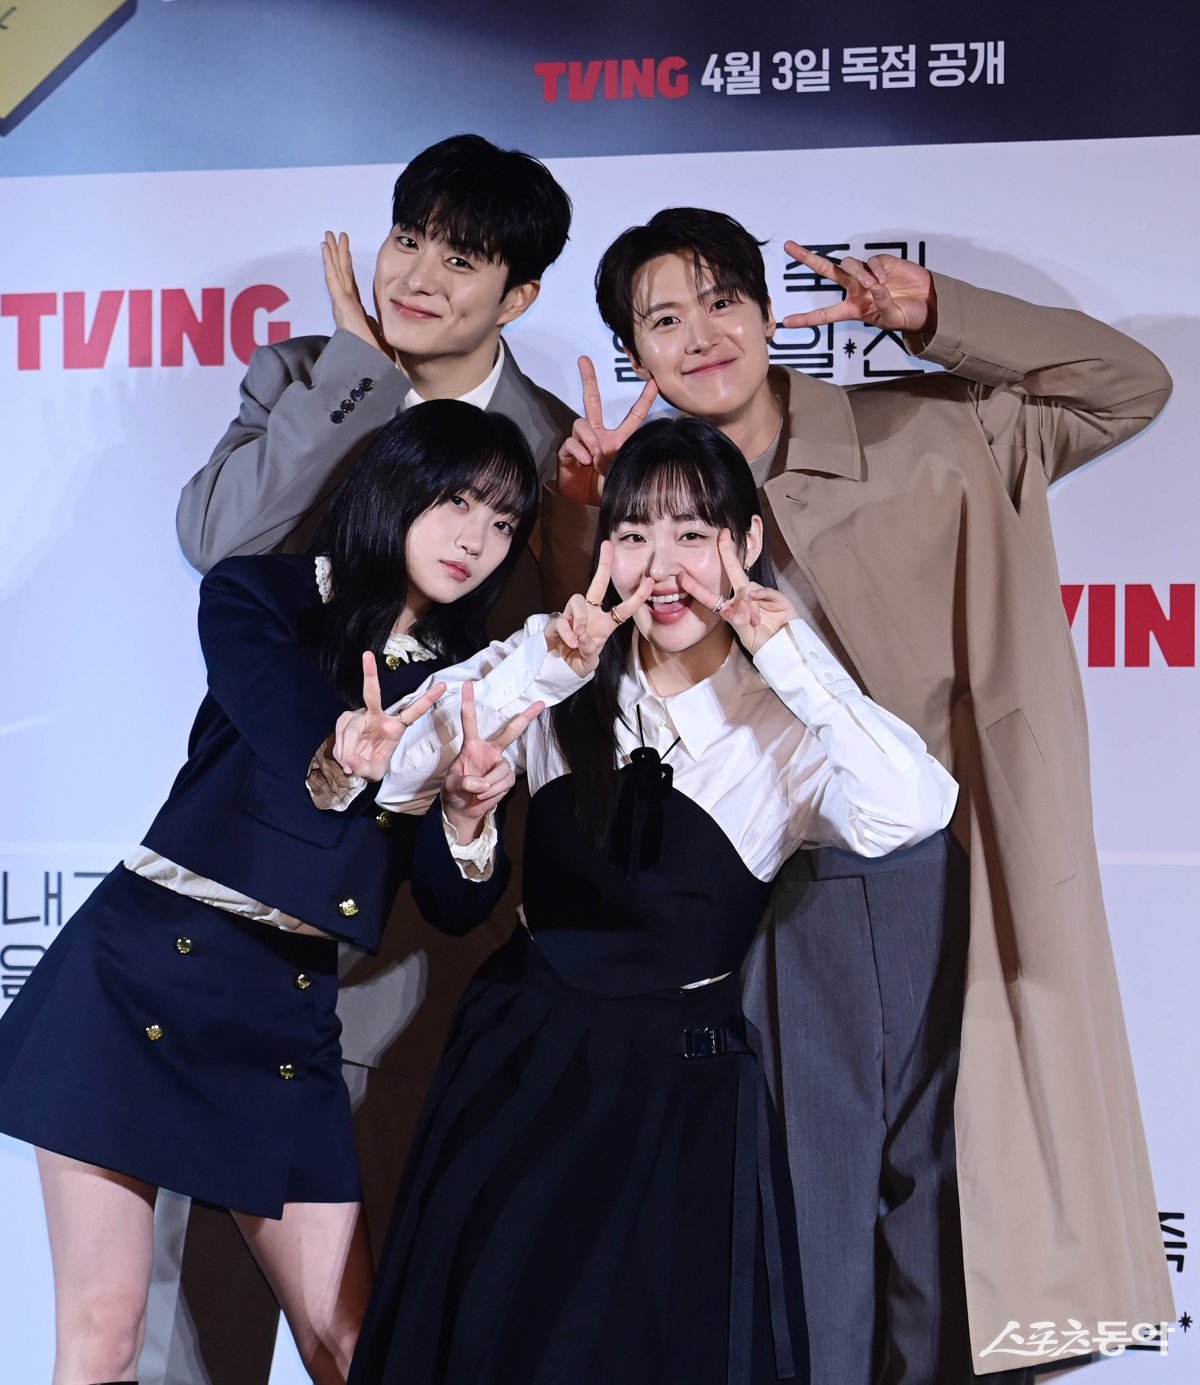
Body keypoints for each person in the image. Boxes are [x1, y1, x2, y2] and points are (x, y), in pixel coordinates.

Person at [542, 208, 1175, 1381]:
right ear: (636, 353)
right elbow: (585, 676)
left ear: (766, 313)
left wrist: (936, 316)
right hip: (765, 890)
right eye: (663, 319)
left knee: (960, 1205)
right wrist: (584, 509)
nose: (701, 334)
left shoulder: (938, 431)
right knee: (797, 1216)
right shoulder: (647, 508)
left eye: (721, 300)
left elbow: (1128, 385)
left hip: (957, 869)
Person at [320, 418, 958, 1385]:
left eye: (694, 534)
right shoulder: (554, 659)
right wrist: (545, 672)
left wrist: (789, 653)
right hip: (521, 1066)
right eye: (632, 535)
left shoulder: (782, 725)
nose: (662, 568)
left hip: (680, 1096)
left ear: (747, 542)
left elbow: (913, 809)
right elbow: (399, 767)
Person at [0, 401, 543, 1385]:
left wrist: (467, 812)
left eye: (504, 521)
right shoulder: (264, 594)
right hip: (138, 973)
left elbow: (453, 903)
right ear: (398, 489)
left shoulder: (468, 687)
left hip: (285, 1005)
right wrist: (345, 750)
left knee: (352, 1344)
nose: (476, 538)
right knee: (104, 1333)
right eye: (458, 501)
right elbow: (276, 707)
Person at [177, 132, 576, 624]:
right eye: (408, 242)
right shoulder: (298, 375)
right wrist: (357, 378)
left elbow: (575, 623)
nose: (416, 280)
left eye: (458, 261)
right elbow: (212, 544)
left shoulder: (559, 443)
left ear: (515, 300)